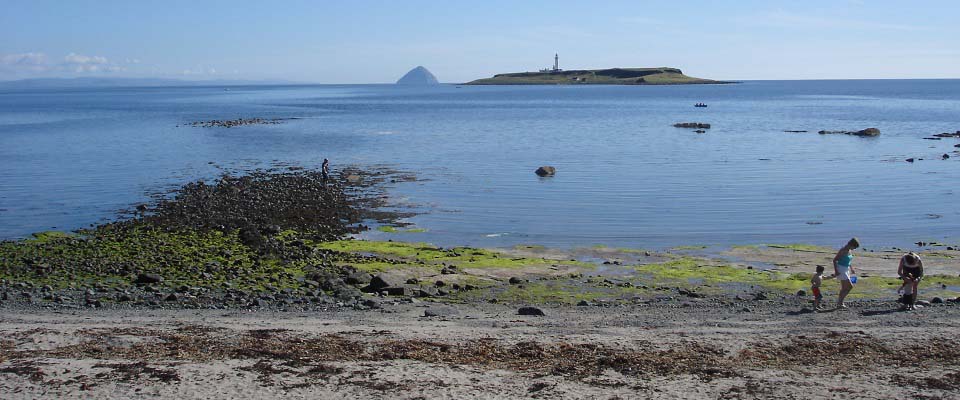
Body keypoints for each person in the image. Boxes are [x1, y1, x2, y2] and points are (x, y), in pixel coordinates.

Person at [832, 237, 860, 309]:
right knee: (849, 286)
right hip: (841, 269)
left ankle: (840, 303)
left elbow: (848, 260)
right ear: (851, 244)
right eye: (854, 247)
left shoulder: (849, 250)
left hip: (846, 269)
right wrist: (836, 271)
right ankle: (840, 302)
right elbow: (835, 260)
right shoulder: (843, 250)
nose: (854, 249)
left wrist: (851, 268)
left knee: (844, 288)